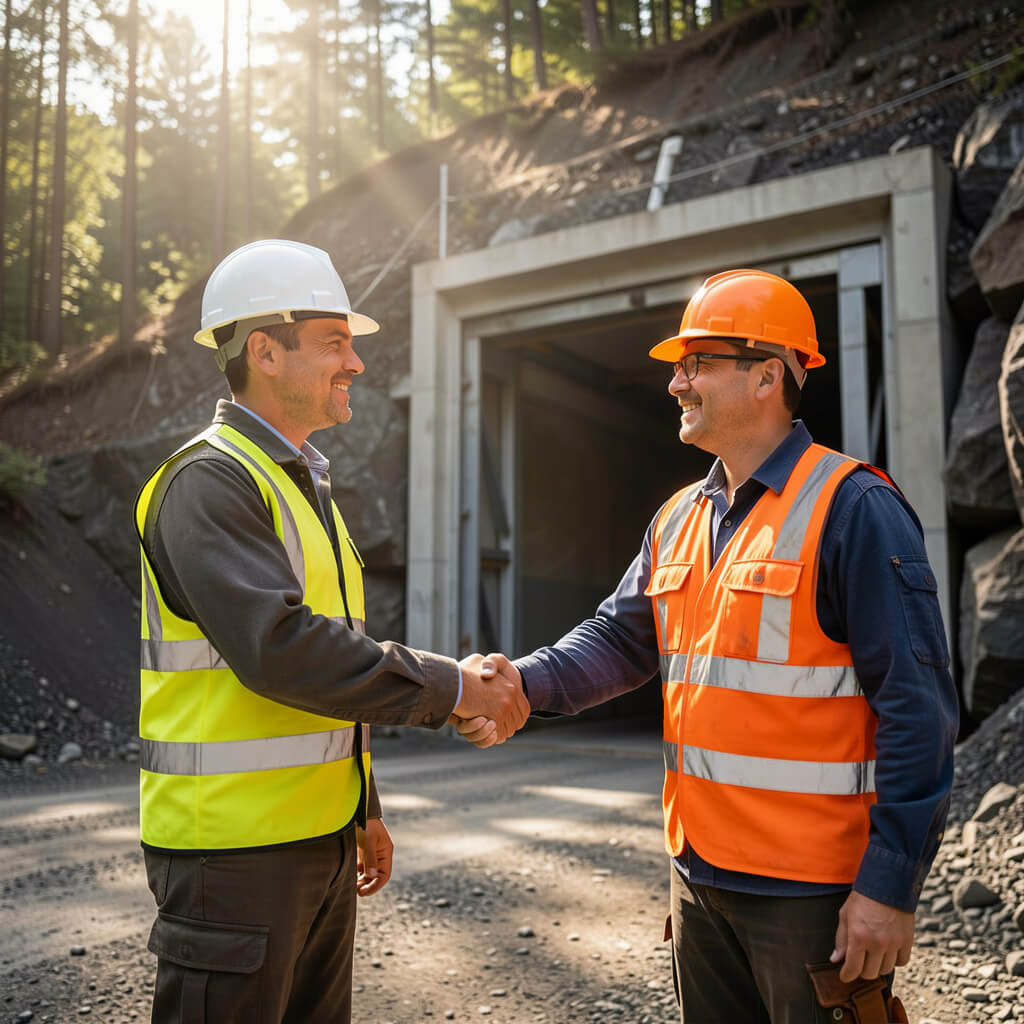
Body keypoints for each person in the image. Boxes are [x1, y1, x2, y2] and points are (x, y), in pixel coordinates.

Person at [463, 269, 958, 1023]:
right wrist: (521, 685)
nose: (675, 384)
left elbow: (919, 710)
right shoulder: (678, 518)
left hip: (811, 893)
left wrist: (889, 887)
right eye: (677, 367)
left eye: (697, 363)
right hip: (698, 878)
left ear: (767, 376)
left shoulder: (856, 508)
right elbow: (619, 639)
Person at [134, 238, 527, 1024]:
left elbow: (330, 667)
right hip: (230, 853)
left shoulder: (300, 484)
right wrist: (453, 687)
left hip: (315, 839)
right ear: (264, 352)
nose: (355, 363)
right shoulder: (208, 481)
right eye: (334, 343)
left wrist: (360, 806)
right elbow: (281, 650)